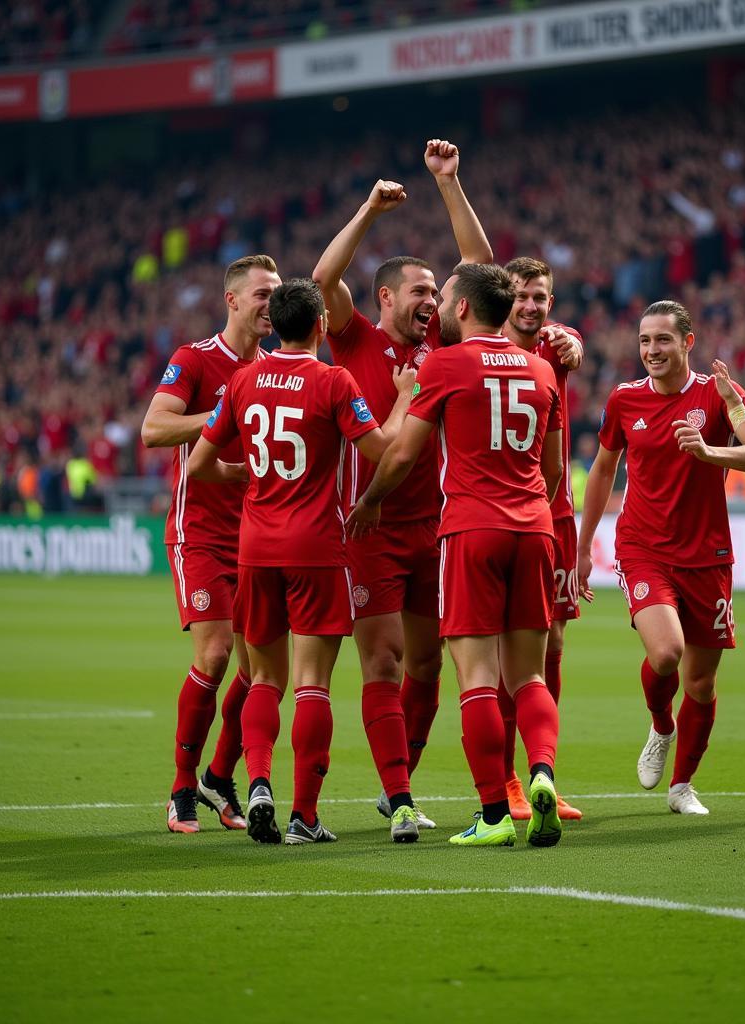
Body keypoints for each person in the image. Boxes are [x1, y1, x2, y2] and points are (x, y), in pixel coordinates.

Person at [186, 278, 418, 843]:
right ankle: (304, 816)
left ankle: (258, 781)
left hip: (255, 549)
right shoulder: (334, 380)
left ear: (277, 325)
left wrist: (242, 475)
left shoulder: (243, 380)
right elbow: (382, 446)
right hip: (316, 547)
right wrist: (407, 396)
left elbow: (197, 466)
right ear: (319, 326)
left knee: (263, 678)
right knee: (312, 684)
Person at [348, 263, 565, 848]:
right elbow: (553, 470)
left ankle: (494, 814)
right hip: (534, 528)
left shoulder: (443, 365)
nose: (440, 304)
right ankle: (542, 773)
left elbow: (400, 457)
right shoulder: (543, 369)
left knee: (475, 679)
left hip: (471, 530)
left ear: (464, 308)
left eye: (445, 297)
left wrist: (369, 501)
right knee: (529, 676)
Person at [312, 140, 492, 832]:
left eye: (434, 295)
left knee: (426, 664)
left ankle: (399, 783)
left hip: (432, 526)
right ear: (386, 297)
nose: (431, 302)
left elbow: (479, 270)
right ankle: (403, 799)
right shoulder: (352, 337)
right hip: (365, 525)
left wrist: (449, 182)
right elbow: (325, 276)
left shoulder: (444, 342)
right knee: (382, 660)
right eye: (420, 292)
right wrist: (368, 209)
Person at [577, 300, 745, 816]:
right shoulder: (624, 400)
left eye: (662, 340)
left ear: (687, 342)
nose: (652, 350)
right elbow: (603, 471)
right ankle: (660, 723)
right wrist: (582, 547)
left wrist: (712, 452)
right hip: (643, 548)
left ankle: (682, 786)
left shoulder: (717, 394)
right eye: (645, 341)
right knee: (667, 653)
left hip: (708, 555)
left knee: (702, 682)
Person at [142, 254, 281, 835]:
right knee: (217, 655)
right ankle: (180, 784)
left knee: (259, 671)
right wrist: (222, 415)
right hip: (199, 533)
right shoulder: (195, 360)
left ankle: (220, 776)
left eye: (277, 294)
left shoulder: (278, 369)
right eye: (262, 294)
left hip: (258, 535)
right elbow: (154, 429)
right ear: (232, 300)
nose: (271, 303)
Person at [498, 256, 584, 822]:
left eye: (541, 298)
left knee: (552, 644)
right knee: (507, 654)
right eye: (522, 296)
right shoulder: (479, 343)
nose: (531, 306)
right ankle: (506, 779)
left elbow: (570, 341)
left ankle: (541, 772)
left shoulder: (557, 347)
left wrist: (572, 341)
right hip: (503, 515)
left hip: (555, 518)